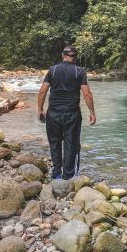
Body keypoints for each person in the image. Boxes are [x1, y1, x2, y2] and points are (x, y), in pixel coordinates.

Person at [37, 46, 96, 180]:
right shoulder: (79, 71)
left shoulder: (53, 70)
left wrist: (40, 110)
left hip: (53, 113)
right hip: (72, 114)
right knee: (71, 144)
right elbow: (87, 94)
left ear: (62, 55)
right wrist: (92, 113)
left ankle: (56, 173)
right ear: (75, 57)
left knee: (55, 143)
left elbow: (42, 91)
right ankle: (68, 176)